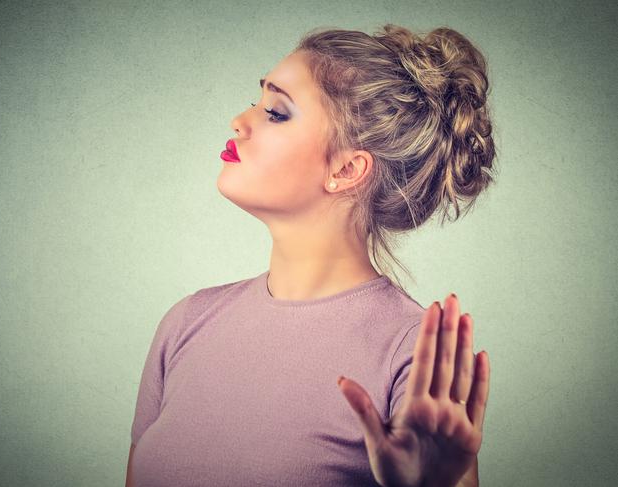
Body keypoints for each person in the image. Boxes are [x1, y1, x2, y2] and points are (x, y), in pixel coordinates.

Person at [127, 23, 496, 487]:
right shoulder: (185, 323)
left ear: (346, 169)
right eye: (257, 101)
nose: (239, 121)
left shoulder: (412, 354)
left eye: (276, 112)